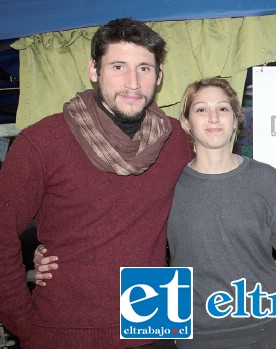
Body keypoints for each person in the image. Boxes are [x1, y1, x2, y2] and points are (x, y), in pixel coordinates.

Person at [0, 18, 195, 349]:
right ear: (94, 70)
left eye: (145, 68)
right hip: (68, 330)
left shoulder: (175, 139)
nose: (133, 82)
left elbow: (212, 198)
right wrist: (23, 323)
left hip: (155, 324)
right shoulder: (42, 142)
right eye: (119, 66)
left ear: (159, 76)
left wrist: (274, 210)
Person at [166, 77, 276, 348]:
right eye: (201, 109)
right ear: (187, 123)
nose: (213, 117)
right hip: (197, 337)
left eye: (223, 108)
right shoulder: (167, 184)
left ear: (236, 119)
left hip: (265, 333)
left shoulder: (264, 178)